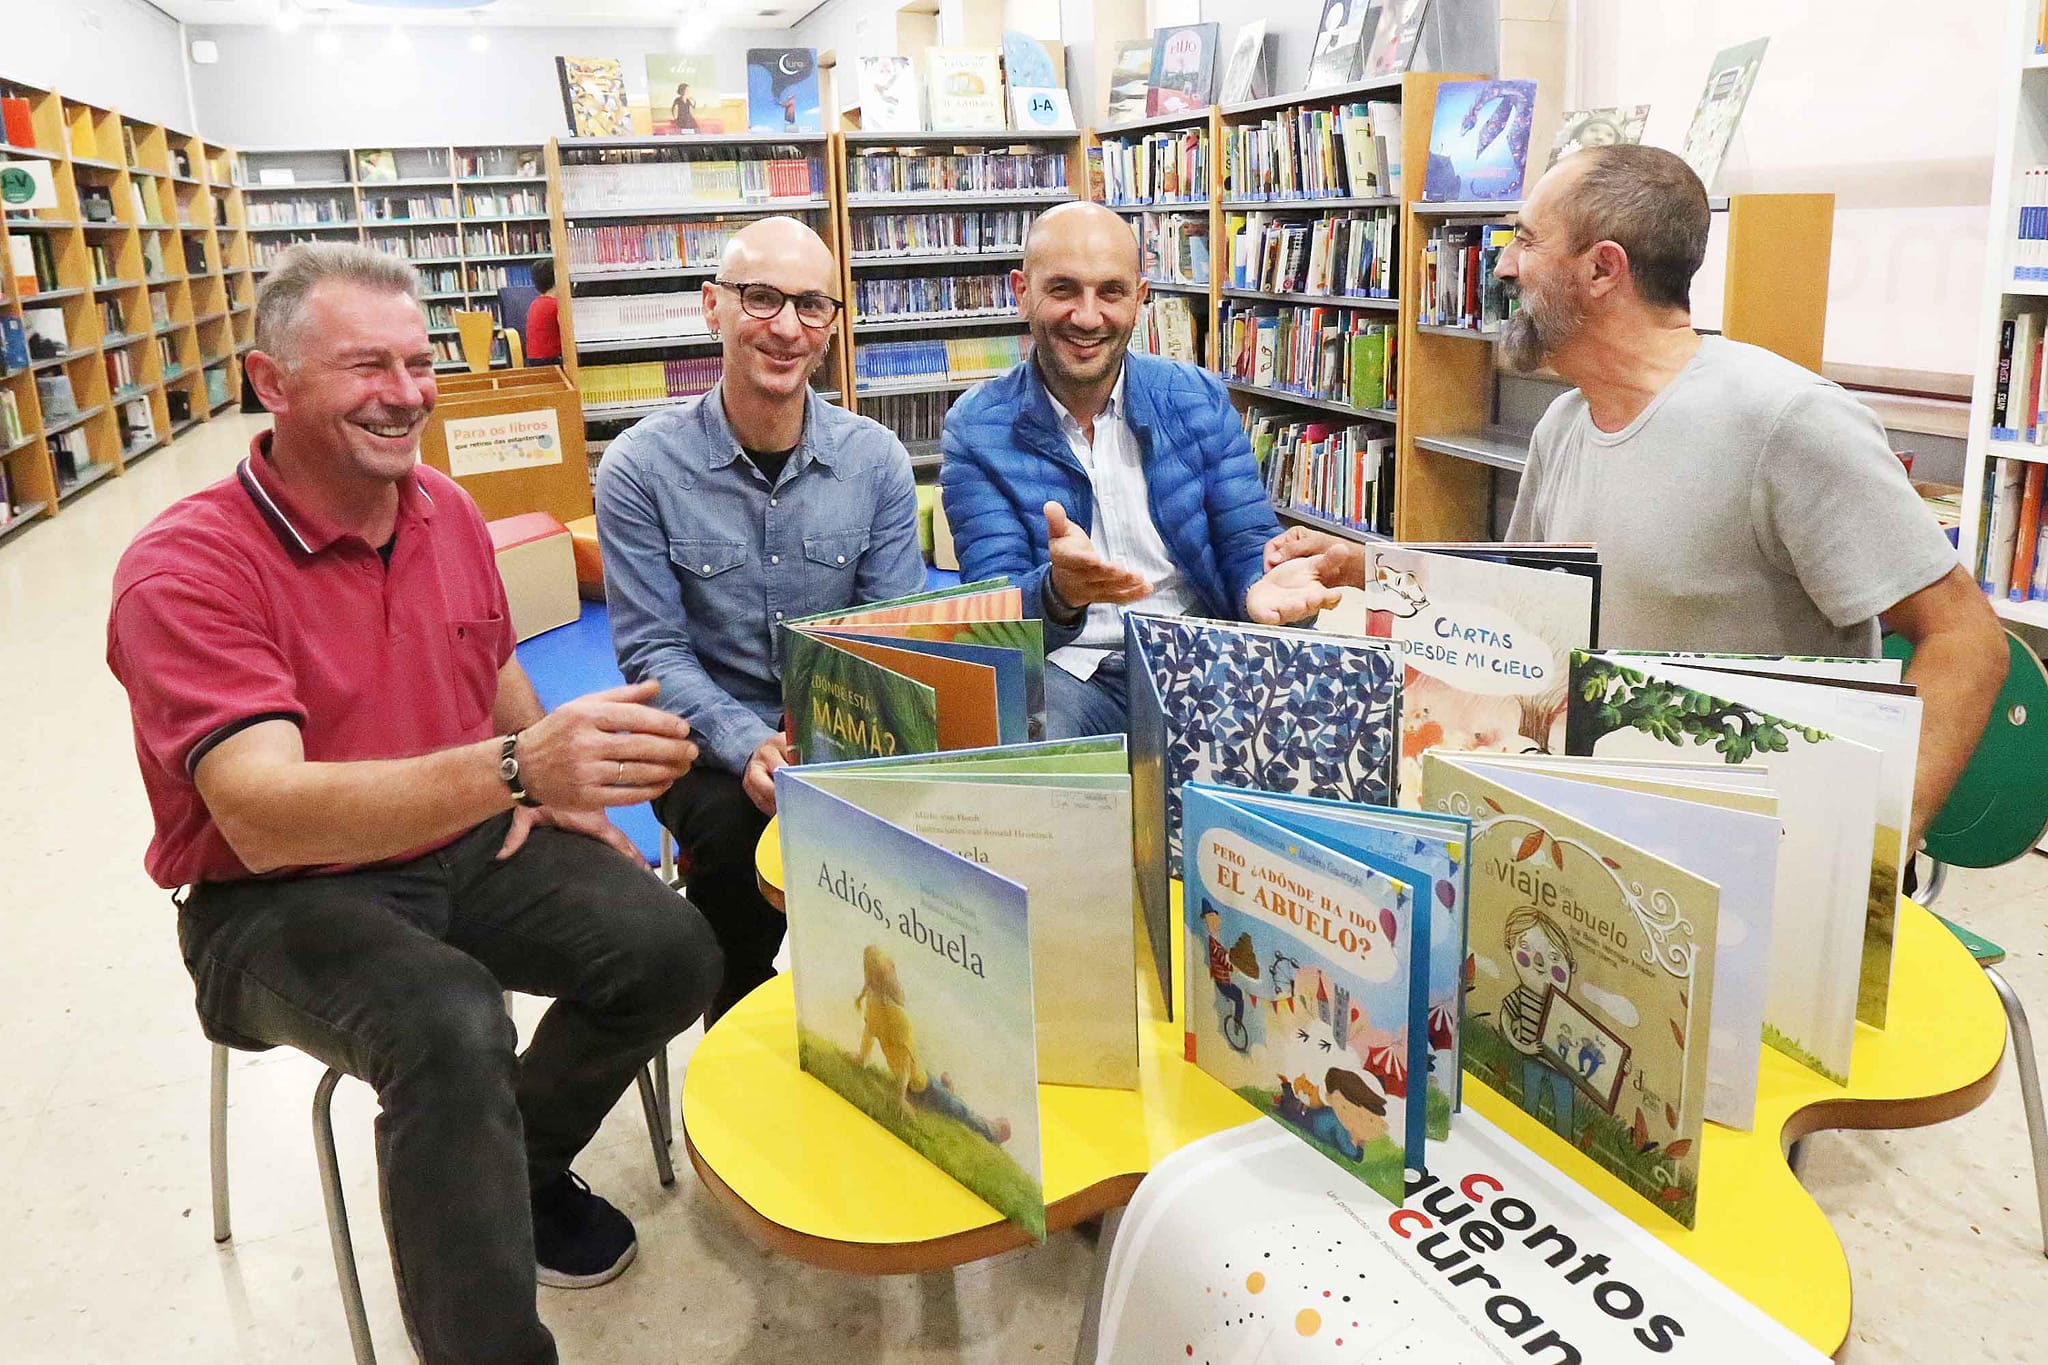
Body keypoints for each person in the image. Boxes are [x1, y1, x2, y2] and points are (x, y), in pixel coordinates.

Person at [105, 244, 721, 1365]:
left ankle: (517, 1170)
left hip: (465, 837)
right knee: (445, 1024)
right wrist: (516, 770)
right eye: (363, 367)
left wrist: (551, 773)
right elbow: (263, 812)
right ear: (271, 383)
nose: (405, 393)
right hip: (271, 901)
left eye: (418, 361)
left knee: (671, 948)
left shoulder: (439, 505)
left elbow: (487, 666)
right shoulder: (186, 568)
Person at [1267, 145, 2006, 843]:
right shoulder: (1564, 421)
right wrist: (1370, 570)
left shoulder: (1787, 421)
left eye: (1525, 240)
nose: (1502, 265)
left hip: (1739, 852)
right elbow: (1521, 605)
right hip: (1590, 840)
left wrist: (1865, 858)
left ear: (1602, 269)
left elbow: (1966, 640)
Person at [597, 217, 924, 1021]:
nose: (786, 327)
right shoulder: (640, 467)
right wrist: (748, 745)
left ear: (833, 327)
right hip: (707, 743)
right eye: (762, 298)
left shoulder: (876, 459)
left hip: (849, 736)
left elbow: (895, 631)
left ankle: (881, 1034)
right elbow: (653, 652)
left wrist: (846, 745)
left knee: (928, 841)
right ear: (713, 307)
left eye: (811, 305)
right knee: (732, 846)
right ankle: (739, 1039)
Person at [939, 201, 1341, 739]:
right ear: (1021, 291)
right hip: (1068, 670)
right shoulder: (977, 427)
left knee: (1323, 731)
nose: (1087, 317)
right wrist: (1060, 592)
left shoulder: (1196, 397)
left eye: (1111, 291)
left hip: (1197, 654)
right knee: (1023, 746)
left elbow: (1245, 539)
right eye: (1063, 290)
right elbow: (995, 612)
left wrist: (1261, 589)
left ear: (1140, 298)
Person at [524, 256, 561, 365]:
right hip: (553, 361)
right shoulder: (557, 305)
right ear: (557, 280)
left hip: (534, 361)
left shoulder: (535, 303)